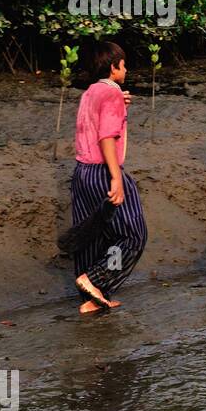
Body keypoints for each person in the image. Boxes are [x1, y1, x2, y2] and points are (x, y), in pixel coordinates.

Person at [69, 41, 148, 313]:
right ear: (114, 68)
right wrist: (116, 177)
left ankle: (90, 299)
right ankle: (96, 280)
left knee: (92, 236)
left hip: (82, 173)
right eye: (123, 64)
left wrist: (119, 102)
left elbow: (98, 118)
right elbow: (106, 138)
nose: (125, 69)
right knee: (133, 235)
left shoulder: (90, 92)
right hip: (103, 171)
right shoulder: (111, 94)